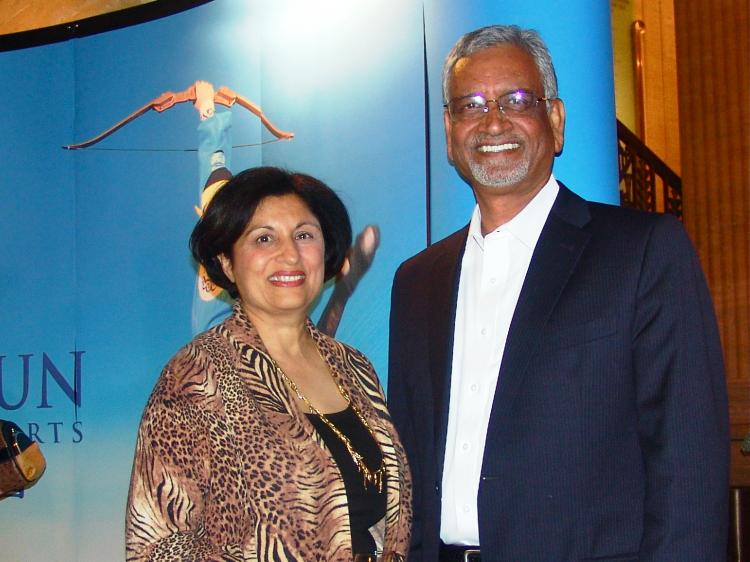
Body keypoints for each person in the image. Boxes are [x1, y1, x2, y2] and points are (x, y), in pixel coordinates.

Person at [388, 24, 729, 561]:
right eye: (471, 105)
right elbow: (408, 461)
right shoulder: (416, 281)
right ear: (450, 131)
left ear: (556, 120)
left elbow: (689, 462)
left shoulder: (642, 253)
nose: (493, 120)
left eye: (517, 99)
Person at [126, 167, 411, 561]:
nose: (290, 254)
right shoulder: (194, 378)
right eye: (264, 238)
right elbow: (158, 547)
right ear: (226, 263)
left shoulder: (354, 367)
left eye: (304, 235)